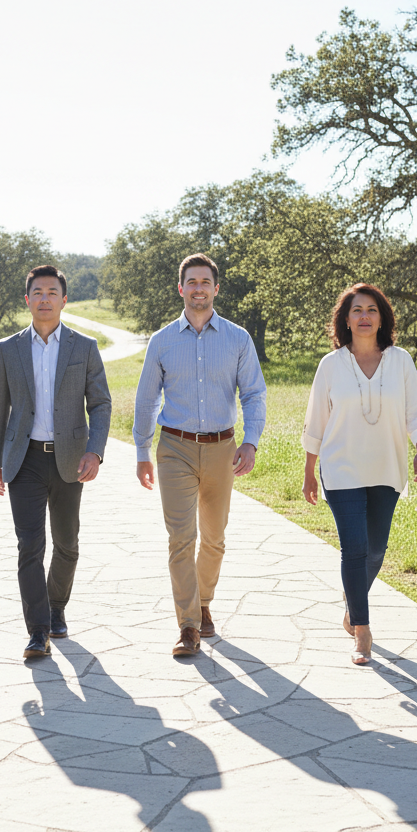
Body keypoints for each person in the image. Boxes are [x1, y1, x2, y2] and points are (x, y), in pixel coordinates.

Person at [133, 253, 267, 657]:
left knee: (214, 538)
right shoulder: (162, 341)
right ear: (181, 288)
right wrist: (142, 450)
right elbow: (145, 399)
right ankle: (188, 625)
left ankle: (204, 602)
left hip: (223, 449)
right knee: (181, 537)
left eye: (204, 281)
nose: (198, 288)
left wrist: (251, 440)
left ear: (215, 288)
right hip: (174, 447)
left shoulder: (238, 338)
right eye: (191, 282)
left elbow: (255, 393)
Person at [301, 283, 417, 665]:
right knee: (355, 549)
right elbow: (316, 420)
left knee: (376, 548)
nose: (364, 316)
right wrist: (310, 471)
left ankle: (351, 600)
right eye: (356, 310)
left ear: (382, 317)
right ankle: (362, 630)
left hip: (386, 466)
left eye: (371, 309)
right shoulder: (330, 365)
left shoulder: (401, 361)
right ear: (346, 319)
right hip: (341, 467)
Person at [0, 265, 111, 659]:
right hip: (23, 461)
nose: (44, 298)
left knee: (67, 544)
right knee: (29, 547)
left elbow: (102, 404)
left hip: (70, 461)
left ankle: (57, 606)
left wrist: (95, 451)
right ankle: (37, 630)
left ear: (64, 299)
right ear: (28, 299)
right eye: (37, 292)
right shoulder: (9, 349)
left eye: (51, 292)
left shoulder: (84, 347)